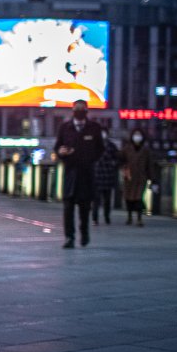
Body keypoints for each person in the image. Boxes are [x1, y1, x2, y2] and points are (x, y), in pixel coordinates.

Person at [53, 99, 104, 248]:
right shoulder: (65, 128)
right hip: (70, 174)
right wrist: (62, 153)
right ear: (72, 111)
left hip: (87, 174)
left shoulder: (94, 128)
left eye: (82, 109)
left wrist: (89, 159)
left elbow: (100, 149)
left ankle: (85, 233)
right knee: (68, 208)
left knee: (84, 208)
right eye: (77, 108)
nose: (79, 111)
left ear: (87, 111)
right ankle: (69, 237)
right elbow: (57, 148)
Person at [121, 127, 159, 226]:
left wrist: (153, 179)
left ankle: (139, 218)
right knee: (128, 198)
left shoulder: (146, 150)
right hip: (129, 177)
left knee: (138, 198)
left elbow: (149, 165)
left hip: (141, 177)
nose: (137, 137)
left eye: (139, 135)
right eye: (135, 134)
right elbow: (120, 159)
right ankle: (129, 216)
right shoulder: (127, 148)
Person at [91, 131, 120, 225]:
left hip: (108, 176)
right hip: (97, 176)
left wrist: (113, 164)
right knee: (96, 200)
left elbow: (117, 158)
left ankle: (107, 217)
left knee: (107, 200)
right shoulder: (93, 145)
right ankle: (95, 218)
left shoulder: (111, 146)